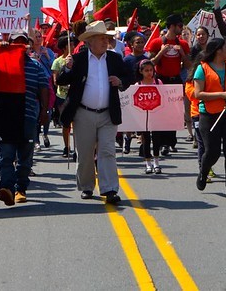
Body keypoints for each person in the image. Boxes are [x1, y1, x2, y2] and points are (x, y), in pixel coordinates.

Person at [56, 21, 132, 204]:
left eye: (107, 38)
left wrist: (120, 81)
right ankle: (87, 186)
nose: (105, 42)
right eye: (101, 38)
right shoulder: (79, 59)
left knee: (107, 151)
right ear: (90, 41)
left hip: (108, 113)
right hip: (83, 113)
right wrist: (67, 67)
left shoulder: (114, 58)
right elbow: (61, 81)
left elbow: (130, 75)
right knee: (85, 153)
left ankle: (110, 189)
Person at [0, 33, 50, 206]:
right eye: (15, 42)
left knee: (25, 157)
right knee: (5, 156)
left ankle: (21, 188)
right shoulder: (2, 62)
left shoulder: (36, 66)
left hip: (28, 118)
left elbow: (44, 88)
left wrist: (44, 111)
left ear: (27, 46)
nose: (20, 45)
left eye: (23, 42)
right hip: (5, 118)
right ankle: (7, 189)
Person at [193, 38, 226, 199]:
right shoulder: (202, 69)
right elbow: (198, 94)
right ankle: (203, 172)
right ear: (218, 50)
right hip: (209, 115)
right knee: (212, 152)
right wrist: (222, 95)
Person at [145, 13, 189, 156]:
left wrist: (182, 53)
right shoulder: (157, 43)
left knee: (174, 113)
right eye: (179, 26)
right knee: (161, 112)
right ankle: (162, 142)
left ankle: (171, 142)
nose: (181, 29)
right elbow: (150, 64)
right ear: (171, 26)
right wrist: (161, 52)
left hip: (175, 80)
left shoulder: (182, 44)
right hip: (161, 80)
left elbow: (189, 65)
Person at [136, 59, 164, 174]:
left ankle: (156, 162)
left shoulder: (158, 82)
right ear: (141, 71)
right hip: (143, 116)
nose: (149, 73)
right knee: (146, 139)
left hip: (156, 115)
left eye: (151, 70)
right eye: (146, 70)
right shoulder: (138, 85)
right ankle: (148, 163)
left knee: (157, 139)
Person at [51, 36, 75, 159]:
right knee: (66, 124)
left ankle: (77, 148)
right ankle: (67, 147)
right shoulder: (57, 62)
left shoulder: (76, 60)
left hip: (75, 97)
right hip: (62, 97)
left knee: (76, 124)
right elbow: (55, 81)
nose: (74, 46)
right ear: (65, 46)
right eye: (71, 44)